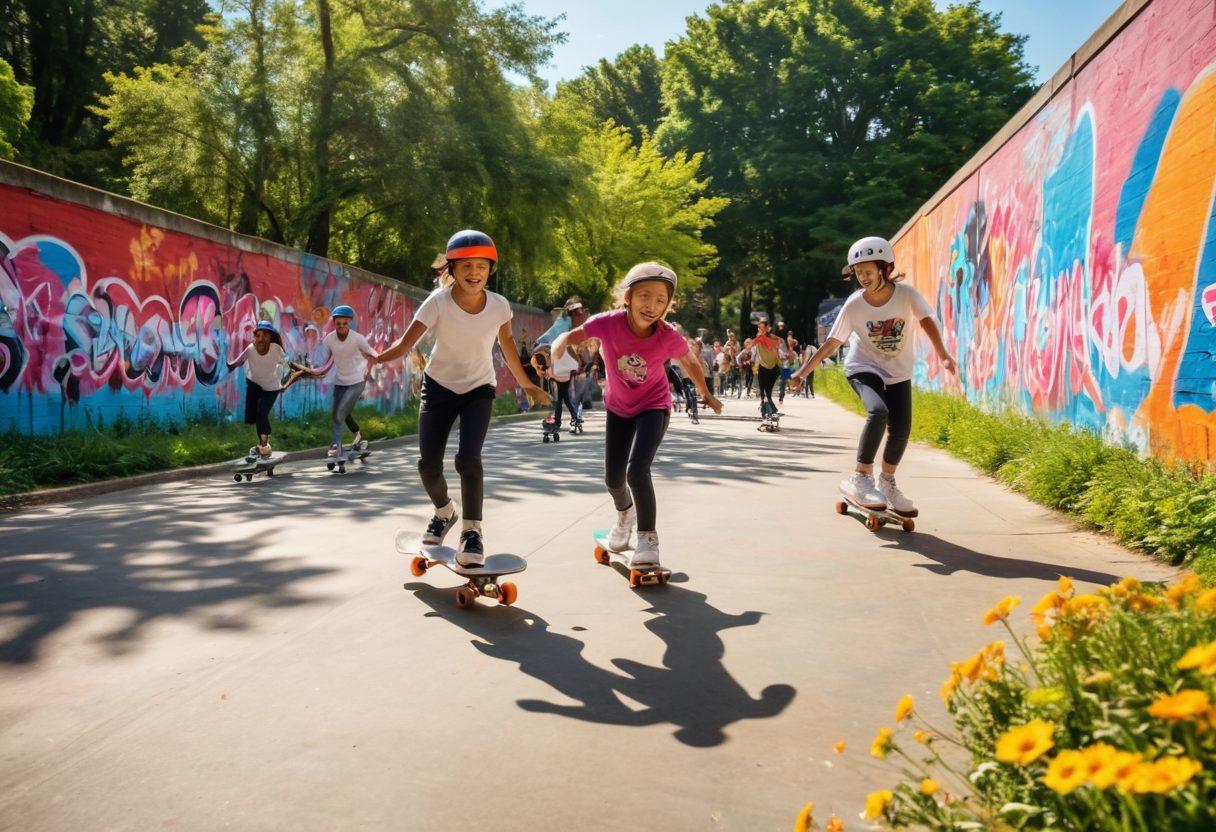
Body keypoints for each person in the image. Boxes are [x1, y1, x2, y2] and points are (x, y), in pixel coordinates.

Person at [368, 230, 548, 566]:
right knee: (428, 466)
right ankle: (444, 512)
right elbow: (407, 343)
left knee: (468, 460)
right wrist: (377, 358)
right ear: (452, 268)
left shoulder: (498, 305)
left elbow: (507, 345)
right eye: (465, 265)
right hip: (439, 387)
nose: (473, 273)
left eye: (481, 266)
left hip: (479, 389)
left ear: (490, 269)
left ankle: (472, 531)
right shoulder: (437, 302)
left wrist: (526, 384)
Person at [551, 263, 722, 568]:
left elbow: (690, 361)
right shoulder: (608, 323)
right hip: (618, 408)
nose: (652, 306)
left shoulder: (667, 335)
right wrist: (559, 343)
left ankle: (648, 539)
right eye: (645, 296)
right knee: (613, 479)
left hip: (653, 406)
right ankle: (623, 516)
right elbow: (575, 334)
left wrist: (705, 393)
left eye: (661, 300)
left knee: (637, 469)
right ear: (628, 297)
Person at [791, 236, 957, 517]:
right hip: (863, 367)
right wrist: (803, 371)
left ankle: (888, 483)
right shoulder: (855, 304)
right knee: (878, 411)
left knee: (901, 429)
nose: (863, 278)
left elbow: (927, 320)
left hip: (898, 371)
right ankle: (861, 477)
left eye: (868, 271)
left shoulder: (906, 295)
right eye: (858, 273)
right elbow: (832, 342)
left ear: (885, 269)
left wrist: (943, 354)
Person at [309, 305, 378, 459]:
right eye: (338, 323)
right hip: (340, 382)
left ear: (350, 323)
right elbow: (323, 360)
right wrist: (312, 370)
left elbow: (372, 352)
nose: (341, 327)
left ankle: (335, 446)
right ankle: (358, 435)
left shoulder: (357, 338)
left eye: (344, 324)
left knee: (340, 412)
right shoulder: (329, 339)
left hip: (356, 381)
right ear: (334, 323)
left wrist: (372, 361)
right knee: (340, 413)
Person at [227, 321, 296, 461]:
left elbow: (289, 365)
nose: (261, 339)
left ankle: (264, 445)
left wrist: (285, 383)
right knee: (258, 416)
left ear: (270, 337)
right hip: (255, 386)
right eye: (258, 335)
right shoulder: (250, 349)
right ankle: (264, 446)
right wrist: (223, 360)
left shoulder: (276, 349)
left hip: (272, 388)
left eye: (265, 335)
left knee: (261, 412)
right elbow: (236, 363)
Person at [749, 320, 791, 418]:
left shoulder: (774, 338)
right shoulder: (759, 338)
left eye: (763, 327)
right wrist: (751, 360)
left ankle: (769, 408)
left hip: (774, 368)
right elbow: (752, 349)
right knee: (764, 390)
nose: (761, 329)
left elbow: (780, 348)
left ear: (768, 328)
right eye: (759, 327)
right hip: (763, 367)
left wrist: (784, 355)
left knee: (767, 390)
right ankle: (767, 407)